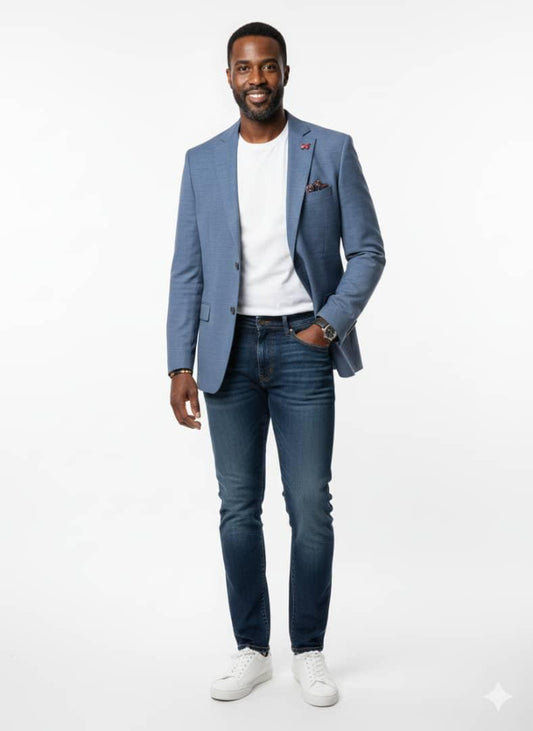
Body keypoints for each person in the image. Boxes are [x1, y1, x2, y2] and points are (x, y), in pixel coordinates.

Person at [166, 21, 386, 707]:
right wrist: (178, 364)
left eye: (267, 66)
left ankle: (309, 649)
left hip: (300, 350)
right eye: (243, 67)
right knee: (237, 507)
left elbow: (369, 251)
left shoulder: (330, 149)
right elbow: (188, 269)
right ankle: (252, 650)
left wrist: (328, 324)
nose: (256, 78)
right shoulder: (202, 161)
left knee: (309, 505)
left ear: (285, 71)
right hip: (226, 353)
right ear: (228, 77)